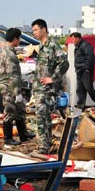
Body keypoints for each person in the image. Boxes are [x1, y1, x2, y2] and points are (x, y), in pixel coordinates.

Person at [31, 19, 69, 155]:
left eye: (35, 30)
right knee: (42, 117)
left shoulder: (52, 45)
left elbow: (64, 63)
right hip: (40, 89)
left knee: (42, 117)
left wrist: (52, 78)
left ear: (44, 29)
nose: (34, 33)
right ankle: (44, 143)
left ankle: (43, 146)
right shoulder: (41, 46)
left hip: (47, 90)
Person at [0, 28, 33, 144]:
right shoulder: (9, 54)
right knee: (10, 111)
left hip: (9, 85)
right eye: (19, 38)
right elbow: (13, 75)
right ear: (15, 39)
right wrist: (17, 92)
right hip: (9, 87)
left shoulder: (5, 51)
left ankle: (23, 134)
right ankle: (8, 138)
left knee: (20, 110)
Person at [72, 32, 95, 109]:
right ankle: (80, 106)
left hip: (85, 71)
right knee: (80, 90)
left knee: (89, 89)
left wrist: (87, 69)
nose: (72, 41)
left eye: (73, 39)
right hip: (79, 71)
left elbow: (90, 57)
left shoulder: (85, 45)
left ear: (78, 38)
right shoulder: (77, 47)